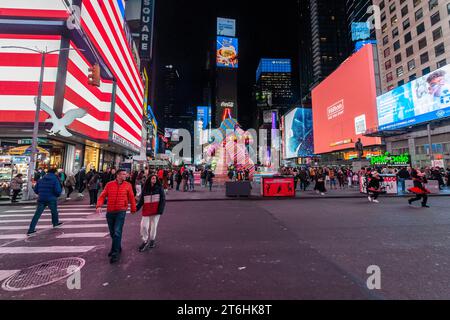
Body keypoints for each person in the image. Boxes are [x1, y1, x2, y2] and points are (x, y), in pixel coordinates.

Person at [96, 169, 137, 263]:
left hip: (121, 211)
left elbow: (131, 197)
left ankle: (115, 253)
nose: (125, 175)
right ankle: (117, 246)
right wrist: (99, 205)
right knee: (112, 232)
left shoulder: (128, 185)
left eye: (125, 174)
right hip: (110, 211)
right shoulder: (109, 184)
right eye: (123, 174)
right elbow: (102, 195)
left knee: (117, 231)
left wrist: (133, 208)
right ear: (118, 175)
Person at [27, 169, 63, 236]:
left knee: (37, 214)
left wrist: (41, 193)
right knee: (54, 211)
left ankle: (31, 230)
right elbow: (58, 190)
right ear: (55, 173)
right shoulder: (55, 180)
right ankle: (55, 223)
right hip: (51, 198)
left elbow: (36, 190)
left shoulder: (41, 180)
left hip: (41, 198)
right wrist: (57, 195)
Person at [136, 175, 166, 252]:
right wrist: (136, 208)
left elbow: (163, 200)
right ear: (149, 179)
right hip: (146, 210)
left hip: (156, 211)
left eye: (155, 178)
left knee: (153, 226)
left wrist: (160, 210)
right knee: (143, 226)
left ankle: (152, 240)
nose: (154, 179)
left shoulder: (159, 188)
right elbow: (141, 200)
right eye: (152, 178)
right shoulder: (145, 189)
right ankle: (145, 240)